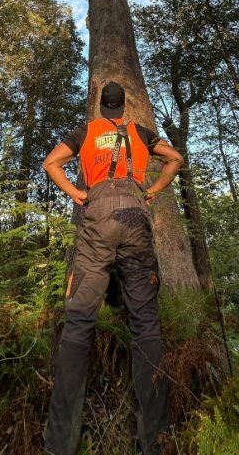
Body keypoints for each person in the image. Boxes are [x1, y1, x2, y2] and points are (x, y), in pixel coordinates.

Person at [42, 81, 184, 455]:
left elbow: (51, 163)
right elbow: (176, 159)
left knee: (78, 324)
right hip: (136, 214)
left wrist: (77, 194)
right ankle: (154, 441)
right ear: (123, 108)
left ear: (101, 107)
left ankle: (60, 444)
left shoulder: (85, 132)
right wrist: (152, 191)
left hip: (98, 215)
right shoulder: (140, 132)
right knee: (145, 323)